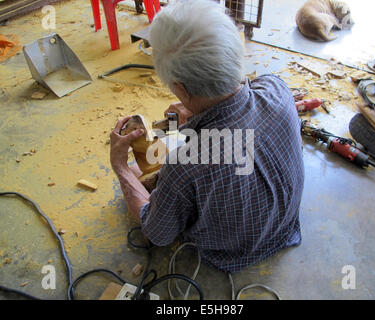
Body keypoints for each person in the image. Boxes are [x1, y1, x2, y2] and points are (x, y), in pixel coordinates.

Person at [109, 0, 304, 273]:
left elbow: (157, 233)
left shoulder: (185, 165)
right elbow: (243, 108)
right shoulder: (277, 89)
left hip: (232, 255)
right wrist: (197, 111)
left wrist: (121, 169)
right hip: (285, 225)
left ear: (180, 88)